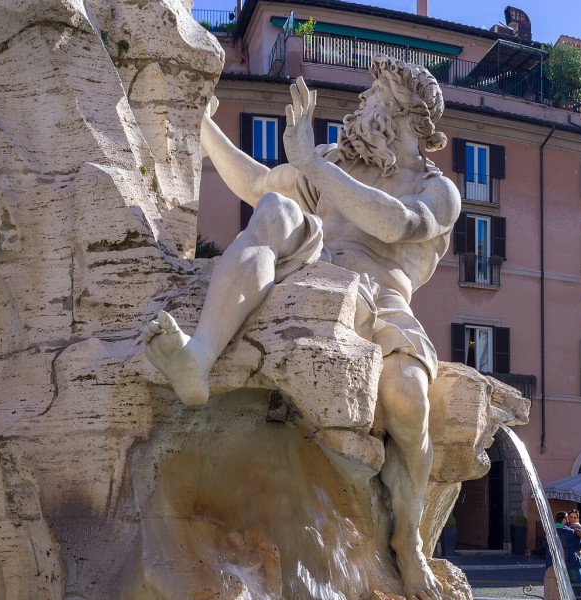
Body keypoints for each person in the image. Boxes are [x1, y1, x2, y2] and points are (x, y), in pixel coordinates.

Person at [142, 55, 460, 600]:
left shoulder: (435, 188)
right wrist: (201, 125)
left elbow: (393, 222)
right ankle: (198, 356)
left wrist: (314, 165)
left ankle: (408, 545)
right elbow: (254, 181)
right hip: (314, 270)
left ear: (409, 114)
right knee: (273, 209)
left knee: (409, 398)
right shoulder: (331, 162)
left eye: (375, 98)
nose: (360, 108)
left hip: (381, 299)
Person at [547, 511, 581, 600]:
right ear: (564, 520)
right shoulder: (570, 532)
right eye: (568, 518)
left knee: (563, 589)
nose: (569, 520)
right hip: (571, 563)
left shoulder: (550, 532)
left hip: (555, 565)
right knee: (578, 588)